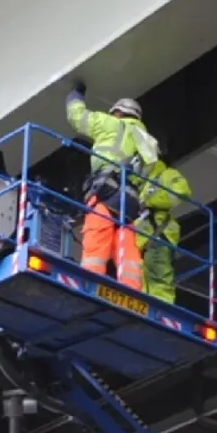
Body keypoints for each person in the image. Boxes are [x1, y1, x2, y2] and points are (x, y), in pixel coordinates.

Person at [64, 80, 159, 292]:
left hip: (106, 190)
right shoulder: (148, 143)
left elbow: (77, 118)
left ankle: (88, 283)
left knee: (97, 238)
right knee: (126, 247)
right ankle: (133, 291)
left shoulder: (112, 124)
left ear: (117, 113)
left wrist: (75, 95)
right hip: (132, 201)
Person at [133, 155, 191, 304]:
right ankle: (148, 311)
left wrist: (149, 202)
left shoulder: (165, 175)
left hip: (158, 236)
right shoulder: (142, 185)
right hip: (143, 242)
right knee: (144, 281)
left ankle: (162, 311)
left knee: (159, 279)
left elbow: (180, 192)